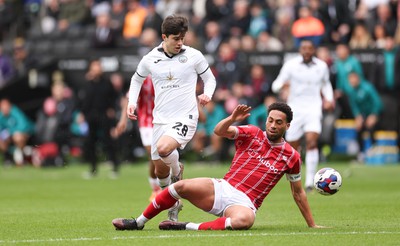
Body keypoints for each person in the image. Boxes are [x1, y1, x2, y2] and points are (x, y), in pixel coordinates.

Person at [112, 103, 323, 231]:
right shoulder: (252, 132)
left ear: (287, 126)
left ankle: (186, 226)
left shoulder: (292, 156)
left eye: (279, 122)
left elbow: (298, 193)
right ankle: (138, 222)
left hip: (245, 201)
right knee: (179, 187)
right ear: (266, 120)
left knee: (244, 220)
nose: (273, 125)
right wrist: (232, 118)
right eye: (270, 120)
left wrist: (311, 224)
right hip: (223, 187)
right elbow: (219, 131)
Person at [125, 15, 216, 222]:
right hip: (160, 119)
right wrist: (132, 102)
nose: (180, 43)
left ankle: (177, 170)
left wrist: (207, 94)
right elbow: (136, 79)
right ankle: (173, 205)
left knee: (165, 149)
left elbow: (209, 78)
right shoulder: (150, 58)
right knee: (159, 171)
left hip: (186, 116)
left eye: (182, 38)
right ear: (164, 37)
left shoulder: (193, 56)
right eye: (176, 38)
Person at [272, 40, 334, 193]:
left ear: (314, 50)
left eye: (310, 48)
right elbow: (276, 84)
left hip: (314, 108)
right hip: (295, 109)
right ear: (300, 50)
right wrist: (282, 87)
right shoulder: (290, 65)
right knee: (293, 147)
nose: (307, 51)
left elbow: (326, 84)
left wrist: (329, 98)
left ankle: (310, 182)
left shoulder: (322, 66)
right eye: (304, 48)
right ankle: (296, 180)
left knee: (312, 142)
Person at [114, 75, 161, 201]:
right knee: (153, 155)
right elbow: (129, 99)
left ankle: (169, 188)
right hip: (146, 123)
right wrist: (123, 119)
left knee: (166, 155)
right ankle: (155, 188)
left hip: (164, 122)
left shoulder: (167, 75)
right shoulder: (142, 78)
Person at [79, 59, 120, 179]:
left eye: (98, 66)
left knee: (108, 142)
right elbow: (84, 100)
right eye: (94, 66)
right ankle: (93, 169)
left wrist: (112, 109)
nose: (97, 69)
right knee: (90, 143)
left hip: (104, 116)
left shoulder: (107, 82)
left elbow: (114, 98)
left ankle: (115, 167)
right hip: (91, 116)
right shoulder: (87, 83)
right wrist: (82, 114)